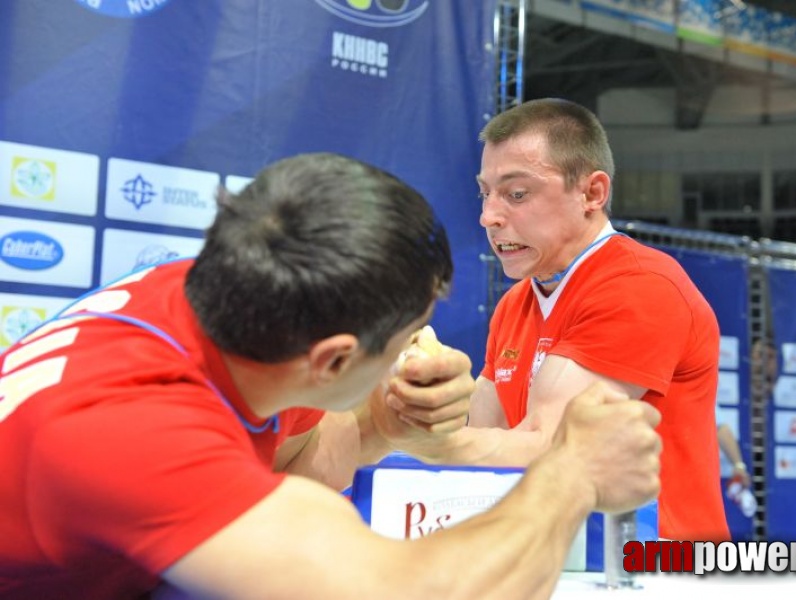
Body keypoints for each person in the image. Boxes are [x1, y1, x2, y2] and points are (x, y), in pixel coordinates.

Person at [0, 152, 662, 599]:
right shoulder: (134, 438)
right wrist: (572, 474)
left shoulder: (221, 303)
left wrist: (377, 422)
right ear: (335, 361)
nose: (420, 353)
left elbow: (291, 462)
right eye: (407, 340)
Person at [388, 98, 728, 542]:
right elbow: (483, 437)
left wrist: (398, 437)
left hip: (662, 566)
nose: (488, 216)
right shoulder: (516, 304)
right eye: (484, 192)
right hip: (569, 558)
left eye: (516, 193)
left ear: (592, 193)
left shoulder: (641, 285)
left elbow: (554, 445)